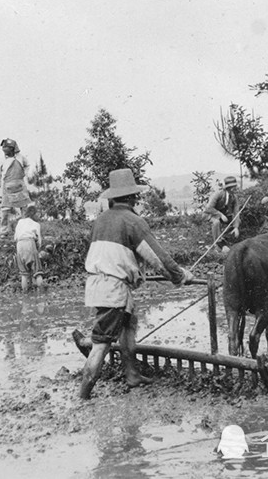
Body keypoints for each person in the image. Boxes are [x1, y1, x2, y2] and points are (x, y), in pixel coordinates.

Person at [77, 168, 193, 400]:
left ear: (111, 198)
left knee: (129, 323)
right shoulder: (133, 222)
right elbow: (157, 258)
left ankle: (131, 374)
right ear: (132, 198)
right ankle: (83, 395)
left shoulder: (100, 220)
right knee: (101, 343)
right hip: (114, 288)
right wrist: (179, 276)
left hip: (99, 284)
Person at [0, 138, 31, 237]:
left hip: (19, 185)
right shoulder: (1, 160)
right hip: (6, 186)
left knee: (24, 208)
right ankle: (4, 232)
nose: (3, 149)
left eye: (6, 147)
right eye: (3, 147)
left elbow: (27, 165)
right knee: (5, 210)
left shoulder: (21, 158)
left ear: (12, 148)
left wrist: (25, 174)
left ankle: (25, 230)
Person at [13, 203, 45, 291]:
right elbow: (39, 241)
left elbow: (15, 237)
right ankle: (41, 294)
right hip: (29, 242)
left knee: (24, 274)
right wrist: (37, 250)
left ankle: (25, 294)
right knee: (38, 272)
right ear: (34, 214)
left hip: (19, 244)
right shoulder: (36, 224)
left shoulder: (20, 222)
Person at [205, 176, 240, 251]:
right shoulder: (218, 194)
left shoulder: (234, 197)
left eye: (235, 186)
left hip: (224, 216)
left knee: (234, 222)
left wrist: (236, 227)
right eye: (233, 187)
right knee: (216, 222)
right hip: (211, 214)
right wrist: (220, 215)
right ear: (229, 187)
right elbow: (208, 208)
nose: (235, 188)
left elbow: (236, 213)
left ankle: (224, 239)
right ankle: (217, 244)